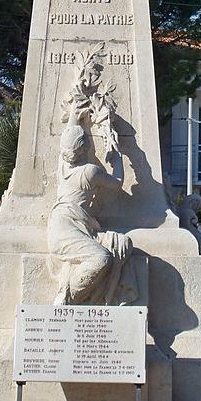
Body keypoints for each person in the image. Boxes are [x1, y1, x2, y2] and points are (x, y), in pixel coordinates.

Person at [47, 120, 135, 305]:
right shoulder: (90, 172)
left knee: (119, 244)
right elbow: (118, 182)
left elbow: (70, 127)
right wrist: (117, 156)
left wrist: (77, 108)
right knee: (101, 257)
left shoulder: (61, 165)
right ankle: (68, 295)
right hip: (67, 227)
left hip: (63, 225)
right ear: (84, 148)